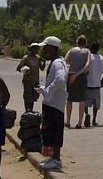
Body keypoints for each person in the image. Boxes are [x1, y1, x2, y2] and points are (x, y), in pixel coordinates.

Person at [35, 36, 68, 170]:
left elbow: (61, 79)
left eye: (46, 47)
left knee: (55, 130)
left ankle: (57, 159)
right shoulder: (55, 62)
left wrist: (47, 91)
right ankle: (53, 157)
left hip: (55, 103)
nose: (44, 49)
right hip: (51, 103)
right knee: (50, 130)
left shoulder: (58, 63)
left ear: (52, 48)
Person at [64, 35, 91, 129]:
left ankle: (68, 121)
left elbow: (65, 61)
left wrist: (73, 75)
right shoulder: (87, 51)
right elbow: (87, 65)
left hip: (71, 75)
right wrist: (78, 74)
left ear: (77, 42)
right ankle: (79, 123)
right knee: (82, 99)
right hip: (82, 76)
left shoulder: (71, 50)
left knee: (69, 99)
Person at [16, 43, 46, 112]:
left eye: (37, 49)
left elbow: (42, 68)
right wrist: (25, 70)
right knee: (28, 97)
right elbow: (18, 68)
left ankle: (31, 111)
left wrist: (43, 62)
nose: (36, 50)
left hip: (35, 81)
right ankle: (27, 111)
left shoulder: (38, 58)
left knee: (34, 97)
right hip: (27, 80)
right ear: (31, 49)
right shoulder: (26, 58)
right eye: (35, 48)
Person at [84, 42, 103, 127]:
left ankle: (87, 114)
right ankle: (94, 119)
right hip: (97, 84)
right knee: (96, 104)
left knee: (85, 102)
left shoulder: (88, 57)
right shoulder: (101, 58)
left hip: (88, 83)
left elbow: (85, 69)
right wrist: (101, 80)